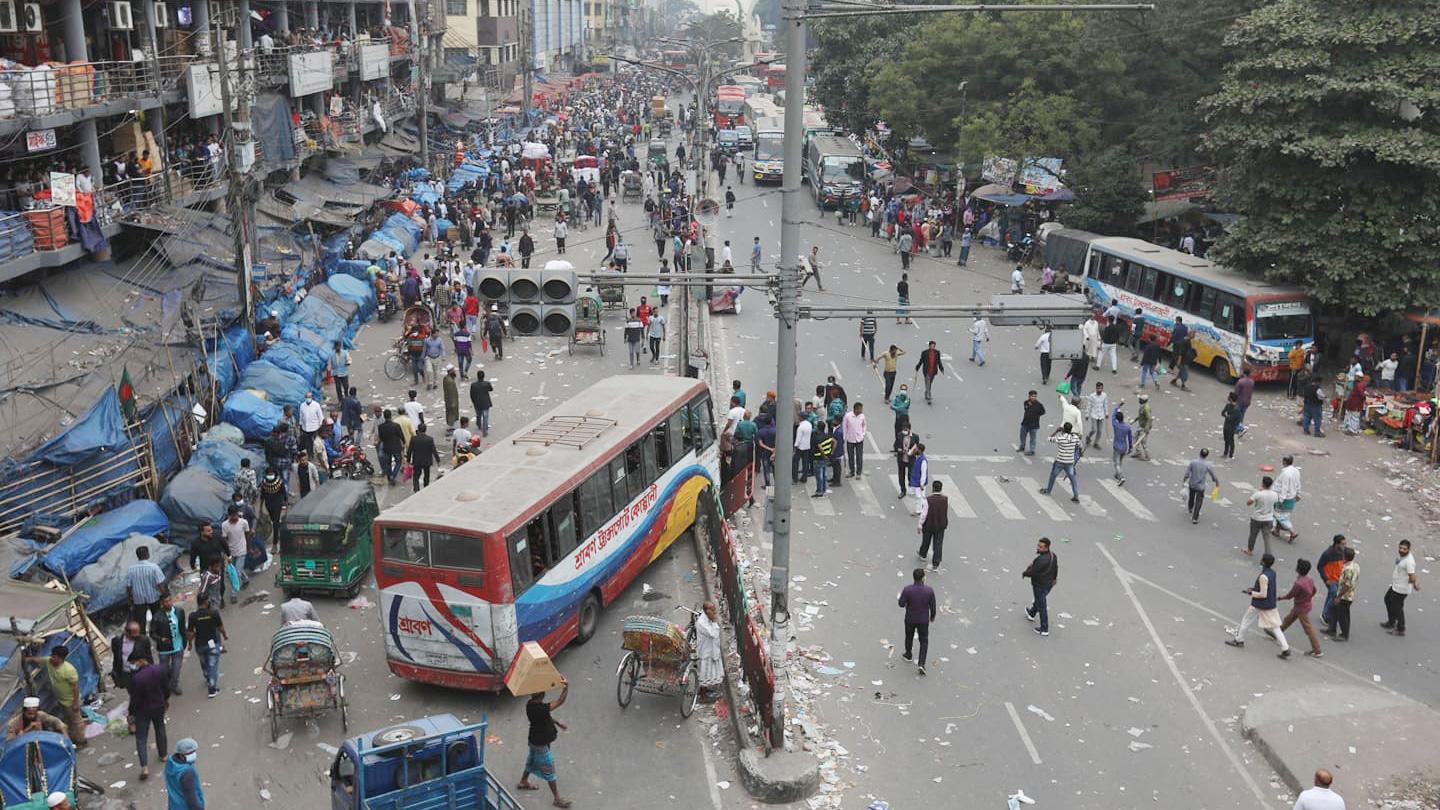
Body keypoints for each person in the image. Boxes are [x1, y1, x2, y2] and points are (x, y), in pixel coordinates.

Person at [1226, 553, 1291, 659]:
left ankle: (1239, 640)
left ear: (1263, 562)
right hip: (1270, 604)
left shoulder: (1263, 576)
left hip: (1259, 604)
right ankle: (1285, 648)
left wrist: (1251, 593)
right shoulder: (1272, 573)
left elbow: (1263, 594)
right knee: (1275, 626)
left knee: (1246, 620)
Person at [518, 682, 573, 808]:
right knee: (549, 769)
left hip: (534, 740)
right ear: (542, 696)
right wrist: (566, 688)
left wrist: (557, 722)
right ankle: (557, 798)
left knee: (532, 760)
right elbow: (560, 701)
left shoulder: (530, 705)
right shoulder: (541, 708)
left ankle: (523, 781)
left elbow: (545, 717)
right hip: (540, 743)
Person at [127, 647, 170, 780]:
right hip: (158, 706)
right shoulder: (159, 670)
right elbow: (166, 688)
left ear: (140, 661)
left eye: (133, 662)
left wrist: (131, 713)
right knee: (160, 729)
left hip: (142, 711)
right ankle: (163, 755)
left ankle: (144, 767)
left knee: (141, 738)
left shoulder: (136, 678)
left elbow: (134, 699)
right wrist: (165, 700)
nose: (133, 665)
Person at [28, 646, 84, 745]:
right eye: (51, 655)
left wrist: (75, 703)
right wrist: (27, 659)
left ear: (60, 658)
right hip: (61, 700)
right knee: (68, 720)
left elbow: (76, 687)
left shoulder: (68, 670)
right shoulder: (49, 662)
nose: (51, 658)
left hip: (70, 701)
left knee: (76, 722)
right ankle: (72, 738)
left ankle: (81, 741)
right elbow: (38, 660)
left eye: (53, 656)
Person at [1278, 558, 1323, 657]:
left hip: (1300, 608)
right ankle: (1278, 632)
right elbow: (1314, 590)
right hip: (1305, 605)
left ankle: (1317, 650)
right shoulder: (1309, 579)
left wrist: (1281, 598)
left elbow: (1290, 595)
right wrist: (1308, 598)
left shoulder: (1298, 584)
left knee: (1308, 629)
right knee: (1289, 619)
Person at [898, 568, 936, 676]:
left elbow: (901, 603)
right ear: (923, 578)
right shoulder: (929, 590)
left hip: (910, 618)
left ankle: (908, 654)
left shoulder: (907, 589)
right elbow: (933, 606)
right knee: (924, 641)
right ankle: (921, 664)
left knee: (909, 636)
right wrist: (932, 616)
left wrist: (907, 604)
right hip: (923, 620)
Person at [186, 593, 226, 697]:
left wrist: (190, 643)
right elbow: (220, 627)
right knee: (212, 666)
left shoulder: (192, 616)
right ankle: (212, 689)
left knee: (204, 664)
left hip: (200, 645)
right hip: (212, 644)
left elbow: (190, 633)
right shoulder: (213, 613)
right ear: (206, 602)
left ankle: (207, 677)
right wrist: (225, 635)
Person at [149, 590, 186, 696]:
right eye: (166, 601)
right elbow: (152, 633)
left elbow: (183, 628)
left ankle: (174, 685)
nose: (168, 603)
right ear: (161, 603)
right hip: (164, 649)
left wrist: (185, 641)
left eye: (170, 600)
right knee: (164, 670)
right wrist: (161, 639)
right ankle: (167, 683)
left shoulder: (179, 612)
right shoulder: (157, 617)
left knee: (176, 669)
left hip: (178, 646)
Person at [1381, 539, 1419, 637]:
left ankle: (1400, 628)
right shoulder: (1402, 556)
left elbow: (1412, 575)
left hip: (1401, 589)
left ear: (1409, 549)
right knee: (1387, 599)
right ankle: (1391, 622)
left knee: (1397, 608)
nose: (1402, 550)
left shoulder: (1409, 561)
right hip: (1396, 585)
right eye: (1400, 548)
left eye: (1404, 549)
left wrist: (1414, 584)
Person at [1022, 537, 1059, 637]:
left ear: (1046, 547)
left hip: (1040, 585)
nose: (1038, 548)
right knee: (1039, 600)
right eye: (1038, 545)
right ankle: (1031, 613)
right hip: (1049, 584)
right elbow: (1056, 567)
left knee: (1042, 605)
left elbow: (1033, 572)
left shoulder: (1041, 560)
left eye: (1040, 547)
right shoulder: (1053, 555)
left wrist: (1025, 573)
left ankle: (1044, 628)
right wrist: (1054, 579)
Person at [1039, 422, 1082, 503]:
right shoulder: (1075, 438)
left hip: (1060, 461)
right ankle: (1076, 496)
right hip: (1069, 462)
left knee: (1053, 476)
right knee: (1072, 479)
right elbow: (1080, 445)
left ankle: (1048, 490)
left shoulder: (1061, 438)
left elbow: (1049, 438)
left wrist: (1056, 431)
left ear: (1064, 429)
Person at [126, 545, 166, 626]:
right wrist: (164, 596)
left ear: (137, 556)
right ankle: (156, 634)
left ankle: (142, 636)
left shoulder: (131, 569)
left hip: (138, 600)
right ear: (147, 554)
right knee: (157, 619)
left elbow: (129, 587)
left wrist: (130, 599)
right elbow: (160, 584)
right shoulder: (154, 567)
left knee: (140, 623)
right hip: (154, 598)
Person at [1316, 534, 1348, 632]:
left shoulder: (1343, 552)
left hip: (1340, 578)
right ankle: (1325, 615)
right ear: (1336, 544)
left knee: (1331, 595)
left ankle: (1327, 613)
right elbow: (1320, 566)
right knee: (1334, 594)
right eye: (1343, 544)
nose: (1344, 546)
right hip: (1331, 579)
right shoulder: (1328, 553)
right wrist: (1326, 579)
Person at [111, 619, 153, 690]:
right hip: (126, 673)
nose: (136, 637)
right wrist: (116, 672)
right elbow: (116, 657)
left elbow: (149, 656)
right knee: (132, 692)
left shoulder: (144, 640)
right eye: (133, 636)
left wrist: (151, 670)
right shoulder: (117, 641)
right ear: (126, 632)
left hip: (140, 672)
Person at [1181, 448, 1220, 524]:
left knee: (1191, 497)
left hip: (1192, 484)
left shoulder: (1193, 462)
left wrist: (1184, 481)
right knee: (1199, 501)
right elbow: (1213, 475)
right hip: (1201, 487)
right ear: (1207, 456)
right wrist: (1216, 482)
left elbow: (1187, 473)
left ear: (1199, 453)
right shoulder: (1207, 465)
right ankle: (1195, 518)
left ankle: (1190, 508)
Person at [165, 738, 205, 810]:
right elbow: (191, 799)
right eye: (191, 752)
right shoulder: (187, 773)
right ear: (182, 755)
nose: (194, 754)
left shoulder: (171, 763)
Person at [917, 480, 948, 569]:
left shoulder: (928, 500)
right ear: (941, 489)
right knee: (938, 543)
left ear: (933, 488)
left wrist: (920, 524)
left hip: (929, 524)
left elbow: (924, 514)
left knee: (926, 540)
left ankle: (923, 554)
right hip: (941, 525)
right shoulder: (945, 499)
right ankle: (936, 563)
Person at [1329, 547, 1358, 641]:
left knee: (1342, 615)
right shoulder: (1355, 566)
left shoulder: (1348, 569)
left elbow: (1347, 585)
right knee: (1337, 611)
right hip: (1350, 594)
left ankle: (1344, 635)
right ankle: (1332, 629)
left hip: (1345, 596)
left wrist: (1339, 596)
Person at [1244, 476, 1279, 556]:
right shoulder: (1275, 495)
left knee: (1253, 535)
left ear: (1263, 484)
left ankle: (1250, 550)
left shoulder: (1258, 494)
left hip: (1257, 518)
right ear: (1271, 485)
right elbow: (1275, 505)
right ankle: (1268, 555)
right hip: (1268, 519)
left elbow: (1248, 503)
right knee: (1267, 538)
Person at [695, 603, 723, 700]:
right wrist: (714, 621)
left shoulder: (707, 618)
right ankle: (703, 695)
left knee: (708, 673)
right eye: (713, 610)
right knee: (705, 673)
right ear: (707, 611)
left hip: (711, 651)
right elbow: (713, 634)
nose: (715, 613)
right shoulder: (702, 623)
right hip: (706, 652)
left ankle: (705, 690)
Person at [407, 424, 441, 492]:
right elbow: (434, 450)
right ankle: (426, 488)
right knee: (426, 475)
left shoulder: (414, 439)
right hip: (427, 461)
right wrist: (438, 460)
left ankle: (416, 489)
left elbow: (409, 450)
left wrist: (408, 460)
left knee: (416, 476)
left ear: (418, 430)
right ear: (425, 430)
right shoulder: (430, 439)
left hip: (417, 461)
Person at [376, 410, 405, 486]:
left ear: (384, 416)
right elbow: (401, 436)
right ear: (391, 416)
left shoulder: (380, 427)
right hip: (396, 447)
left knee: (388, 463)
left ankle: (389, 476)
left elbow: (381, 438)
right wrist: (404, 443)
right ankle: (393, 476)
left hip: (387, 447)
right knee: (398, 462)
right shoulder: (396, 425)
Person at [1110, 403, 1134, 485]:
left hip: (1117, 447)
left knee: (1116, 463)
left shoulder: (1115, 425)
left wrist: (1118, 406)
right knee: (1120, 461)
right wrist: (1130, 447)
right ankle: (1117, 474)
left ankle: (1121, 476)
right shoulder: (1127, 427)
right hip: (1124, 447)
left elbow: (1113, 415)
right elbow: (1130, 438)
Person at [1017, 390, 1046, 455]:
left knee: (1033, 439)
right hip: (1025, 423)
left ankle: (1032, 450)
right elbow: (1026, 409)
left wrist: (1036, 415)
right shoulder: (1026, 402)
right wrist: (1030, 406)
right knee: (1022, 437)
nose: (1034, 397)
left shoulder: (1039, 405)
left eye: (1035, 396)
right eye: (1032, 396)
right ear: (1029, 396)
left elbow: (1043, 412)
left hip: (1034, 425)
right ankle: (1022, 447)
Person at [1083, 382, 1109, 449]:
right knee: (1094, 429)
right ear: (1096, 388)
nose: (1100, 390)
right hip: (1094, 414)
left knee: (1100, 431)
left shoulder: (1104, 395)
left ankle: (1096, 443)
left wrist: (1106, 413)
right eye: (1099, 388)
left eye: (1101, 388)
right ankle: (1088, 437)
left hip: (1101, 415)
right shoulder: (1092, 396)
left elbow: (1105, 404)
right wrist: (1087, 414)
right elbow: (1089, 406)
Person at [907, 441, 929, 515]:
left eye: (916, 449)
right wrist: (913, 449)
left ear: (919, 450)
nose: (915, 450)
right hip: (916, 481)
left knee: (919, 497)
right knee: (920, 496)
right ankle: (922, 509)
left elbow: (923, 473)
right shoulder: (917, 456)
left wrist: (922, 483)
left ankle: (919, 511)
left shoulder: (923, 460)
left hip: (919, 482)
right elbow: (909, 453)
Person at [470, 371, 494, 438]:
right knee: (485, 417)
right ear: (483, 376)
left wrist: (474, 402)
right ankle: (485, 431)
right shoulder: (487, 383)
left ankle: (479, 424)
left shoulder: (473, 385)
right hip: (485, 403)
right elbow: (491, 389)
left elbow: (471, 394)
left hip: (477, 403)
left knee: (478, 415)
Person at [1131, 394, 1154, 460]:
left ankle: (1147, 456)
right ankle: (1138, 452)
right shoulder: (1142, 406)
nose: (1139, 400)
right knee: (1135, 437)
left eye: (1140, 399)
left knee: (1143, 442)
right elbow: (1140, 415)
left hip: (1144, 427)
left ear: (1143, 400)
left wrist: (1147, 429)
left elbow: (1149, 419)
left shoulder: (1146, 408)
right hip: (1140, 426)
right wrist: (1134, 420)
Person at [1234, 367, 1255, 434]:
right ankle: (1238, 428)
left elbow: (1236, 392)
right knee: (1242, 416)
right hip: (1247, 402)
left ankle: (1240, 429)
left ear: (1243, 373)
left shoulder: (1240, 382)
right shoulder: (1252, 382)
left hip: (1239, 401)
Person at [1222, 392, 1243, 458]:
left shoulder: (1236, 409)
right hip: (1227, 425)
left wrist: (1227, 416)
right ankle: (1226, 452)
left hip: (1231, 427)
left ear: (1231, 399)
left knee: (1230, 440)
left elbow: (1229, 417)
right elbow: (1223, 413)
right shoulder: (1229, 405)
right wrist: (1227, 416)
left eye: (1229, 397)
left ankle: (1230, 454)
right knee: (1226, 439)